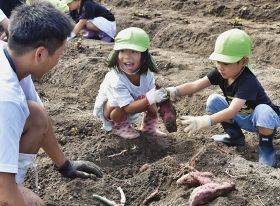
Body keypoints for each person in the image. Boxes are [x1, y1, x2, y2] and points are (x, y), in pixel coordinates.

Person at [0, 2, 102, 205]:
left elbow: (41, 121)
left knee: (35, 114)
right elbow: (3, 188)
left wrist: (65, 165)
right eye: (60, 54)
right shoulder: (7, 99)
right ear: (39, 54)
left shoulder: (10, 56)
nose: (59, 61)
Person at [163, 29, 280, 167]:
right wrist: (173, 91)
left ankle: (266, 149)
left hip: (259, 120)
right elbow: (195, 85)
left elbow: (231, 111)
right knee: (213, 100)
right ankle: (234, 136)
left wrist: (205, 120)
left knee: (264, 110)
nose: (221, 67)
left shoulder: (248, 81)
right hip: (240, 114)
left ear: (243, 61)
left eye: (226, 63)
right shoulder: (219, 73)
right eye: (219, 61)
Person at [93, 27, 168, 139]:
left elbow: (151, 97)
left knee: (154, 103)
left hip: (135, 102)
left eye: (134, 51)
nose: (127, 56)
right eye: (122, 51)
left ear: (144, 56)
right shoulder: (116, 79)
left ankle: (148, 126)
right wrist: (149, 99)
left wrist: (157, 100)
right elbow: (128, 108)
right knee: (116, 106)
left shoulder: (147, 75)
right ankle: (120, 127)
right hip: (112, 111)